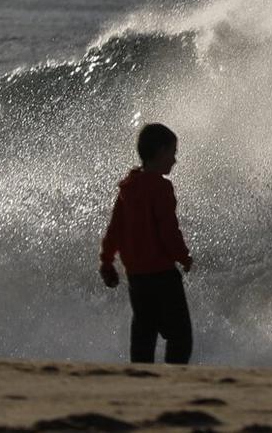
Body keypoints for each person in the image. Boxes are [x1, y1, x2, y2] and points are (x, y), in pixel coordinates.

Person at [98, 123, 194, 364]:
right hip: (162, 275)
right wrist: (183, 256)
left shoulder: (128, 189)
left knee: (144, 333)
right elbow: (168, 230)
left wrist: (107, 261)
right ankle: (173, 381)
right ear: (160, 152)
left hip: (137, 278)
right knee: (180, 336)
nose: (175, 160)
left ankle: (141, 380)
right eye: (173, 153)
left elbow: (115, 229)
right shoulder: (161, 188)